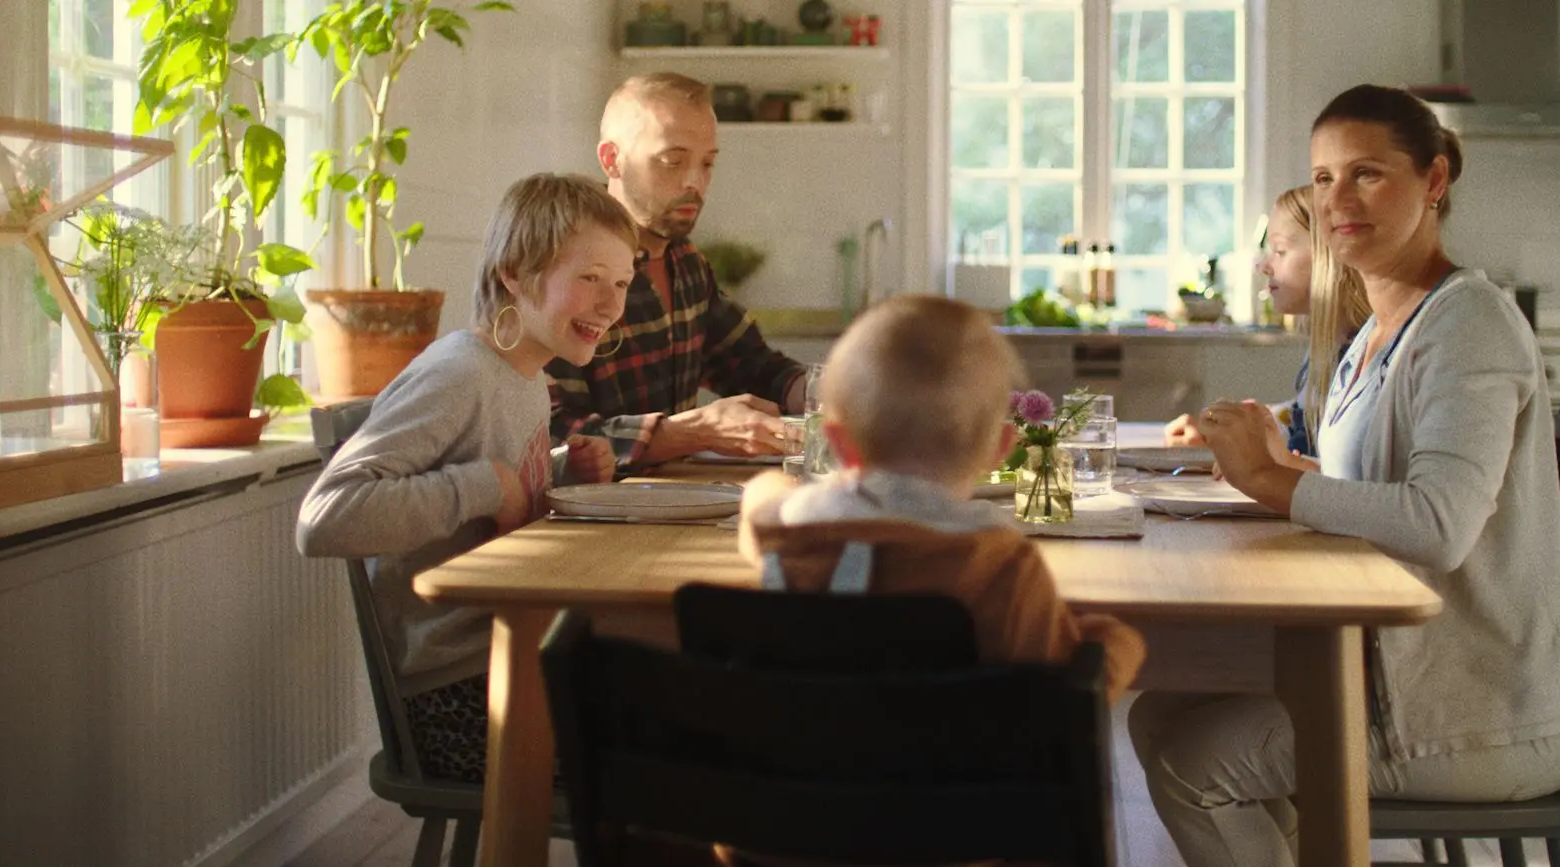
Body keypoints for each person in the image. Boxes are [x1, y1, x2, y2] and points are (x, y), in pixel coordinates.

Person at [1128, 84, 1560, 866]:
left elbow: (1438, 525)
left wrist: (1272, 480)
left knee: (1193, 761)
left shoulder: (1468, 322)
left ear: (1436, 181)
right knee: (1157, 714)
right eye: (1322, 178)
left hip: (1481, 709)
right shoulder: (1378, 333)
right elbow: (1365, 480)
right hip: (1406, 676)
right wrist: (1269, 456)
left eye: (1367, 174)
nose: (1337, 199)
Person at [297, 173, 635, 784]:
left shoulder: (527, 377)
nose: (611, 305)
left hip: (511, 659)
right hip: (457, 698)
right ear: (514, 271)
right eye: (589, 279)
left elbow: (500, 490)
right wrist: (483, 486)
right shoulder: (459, 374)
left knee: (691, 700)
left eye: (621, 284)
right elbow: (324, 518)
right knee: (681, 749)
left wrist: (561, 472)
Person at [737, 296, 1147, 700]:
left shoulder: (792, 536)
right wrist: (1117, 641)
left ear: (838, 443)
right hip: (952, 767)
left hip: (811, 763)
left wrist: (773, 490)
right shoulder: (1002, 569)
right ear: (1000, 448)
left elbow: (760, 500)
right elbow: (1065, 693)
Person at [548, 72, 808, 467]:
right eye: (672, 162)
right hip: (585, 519)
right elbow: (554, 439)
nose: (695, 182)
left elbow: (749, 363)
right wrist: (696, 432)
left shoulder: (686, 263)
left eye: (707, 164)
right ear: (611, 160)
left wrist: (829, 394)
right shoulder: (562, 265)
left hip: (668, 505)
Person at [1164, 185, 1369, 465]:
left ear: (1328, 257)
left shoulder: (1364, 357)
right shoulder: (1327, 345)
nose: (1264, 266)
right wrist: (1220, 437)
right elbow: (1300, 421)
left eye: (1280, 251)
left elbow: (1352, 476)